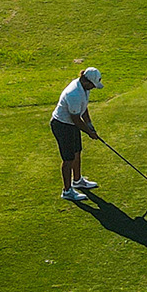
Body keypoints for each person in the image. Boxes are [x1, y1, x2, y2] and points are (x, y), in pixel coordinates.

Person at [51, 67, 103, 202]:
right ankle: (67, 191)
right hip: (62, 125)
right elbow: (76, 119)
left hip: (71, 124)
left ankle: (78, 180)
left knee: (77, 152)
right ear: (86, 81)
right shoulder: (74, 93)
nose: (93, 88)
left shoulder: (84, 88)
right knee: (68, 159)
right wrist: (89, 133)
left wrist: (90, 124)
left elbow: (83, 108)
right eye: (92, 85)